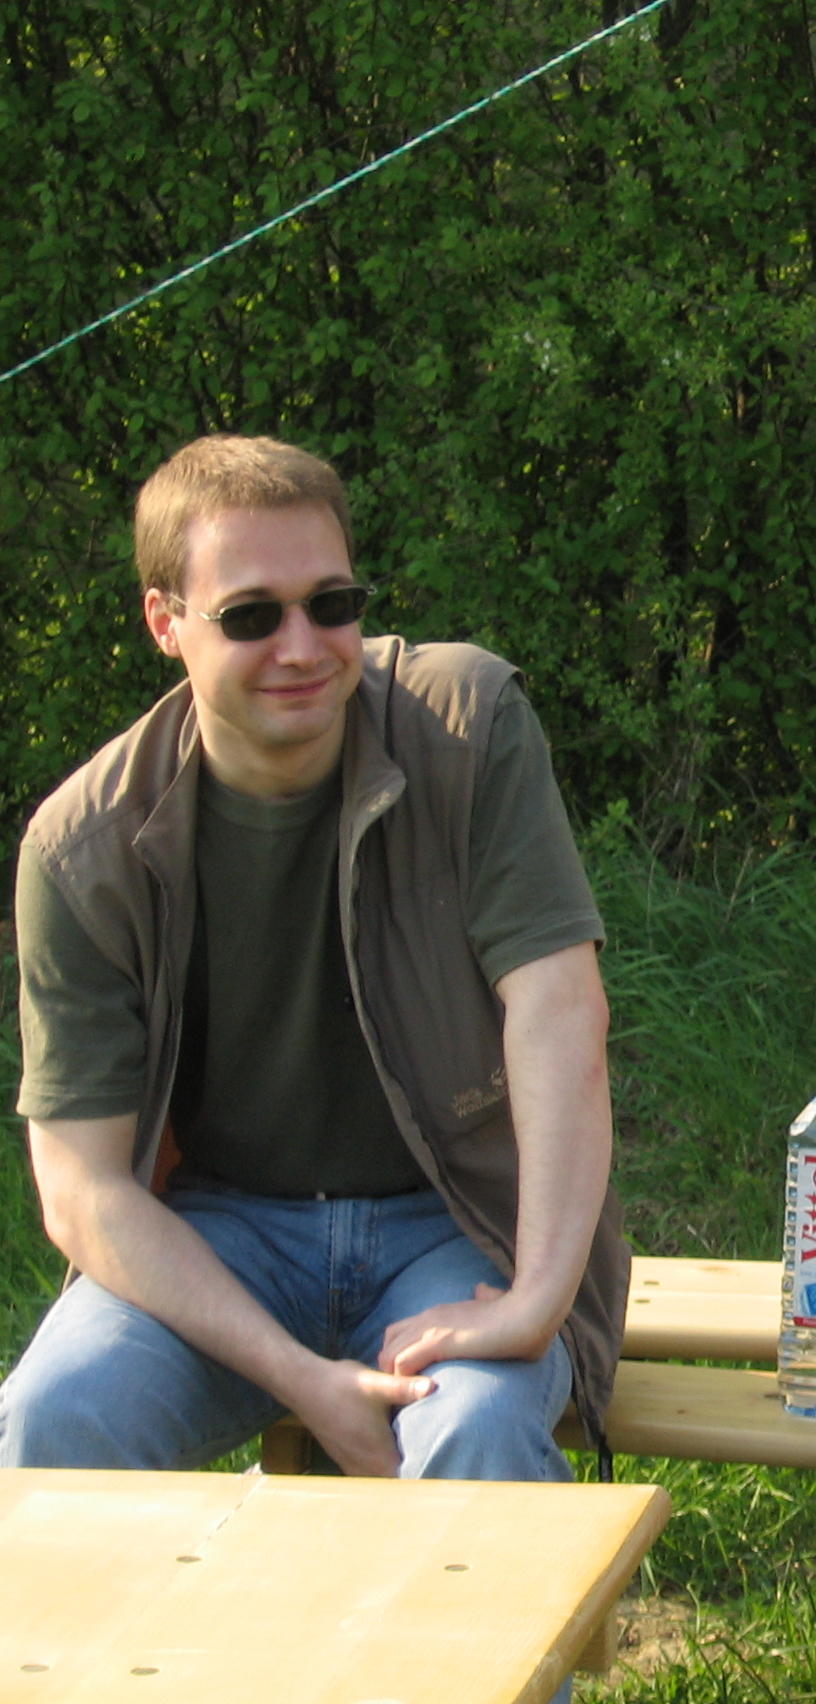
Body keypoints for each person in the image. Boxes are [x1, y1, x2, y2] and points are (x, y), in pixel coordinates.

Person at [0, 433, 627, 1488]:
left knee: (476, 1428)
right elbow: (82, 1186)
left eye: (332, 604)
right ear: (165, 622)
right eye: (252, 615)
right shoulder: (83, 847)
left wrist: (534, 1303)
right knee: (50, 1422)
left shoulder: (465, 726)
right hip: (221, 1233)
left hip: (456, 1217)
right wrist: (299, 1376)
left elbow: (562, 1014)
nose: (302, 646)